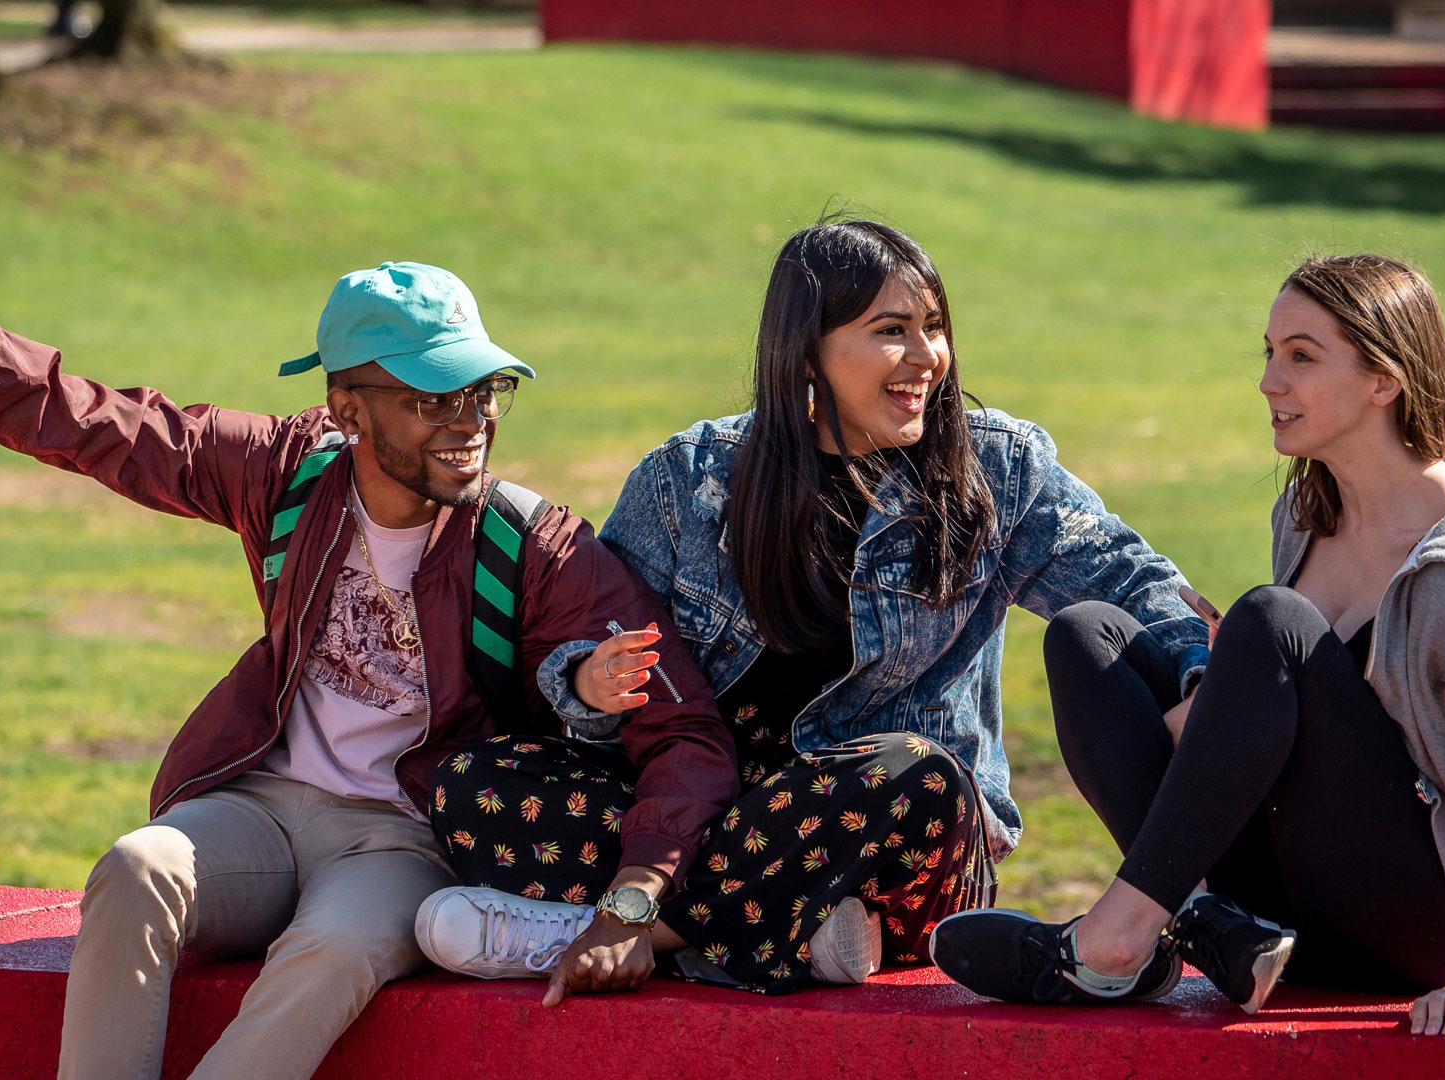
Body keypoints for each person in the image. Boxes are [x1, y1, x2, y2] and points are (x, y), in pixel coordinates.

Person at [0, 194, 738, 1079]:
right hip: (257, 805)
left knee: (332, 951)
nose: (470, 421)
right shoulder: (285, 477)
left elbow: (684, 732)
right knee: (135, 867)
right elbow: (106, 426)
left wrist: (633, 902)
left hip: (401, 837)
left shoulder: (534, 545)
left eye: (484, 389)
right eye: (432, 397)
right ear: (348, 408)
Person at [413, 219, 1212, 996]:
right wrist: (588, 685)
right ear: (807, 353)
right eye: (891, 330)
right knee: (473, 780)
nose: (927, 357)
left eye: (933, 327)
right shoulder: (686, 480)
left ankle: (626, 934)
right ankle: (798, 936)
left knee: (923, 774)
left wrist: (1200, 667)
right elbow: (594, 644)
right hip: (723, 824)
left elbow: (1128, 577)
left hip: (886, 839)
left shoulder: (995, 470)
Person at [931, 254, 1445, 1036]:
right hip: (1285, 912)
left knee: (1270, 619)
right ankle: (1210, 922)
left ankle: (1121, 938)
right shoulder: (1308, 511)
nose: (1269, 381)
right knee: (1088, 635)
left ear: (1386, 379)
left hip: (1407, 928)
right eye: (1270, 353)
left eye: (1302, 356)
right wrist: (1220, 710)